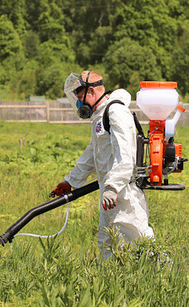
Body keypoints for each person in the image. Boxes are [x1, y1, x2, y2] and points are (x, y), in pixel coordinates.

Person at [51, 71, 154, 259]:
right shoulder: (100, 115)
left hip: (123, 194)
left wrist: (113, 186)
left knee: (140, 243)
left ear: (91, 91)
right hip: (109, 194)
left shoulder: (115, 112)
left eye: (80, 97)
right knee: (107, 244)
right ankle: (108, 282)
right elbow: (93, 152)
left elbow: (126, 154)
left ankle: (163, 276)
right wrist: (71, 181)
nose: (80, 104)